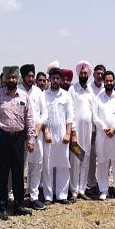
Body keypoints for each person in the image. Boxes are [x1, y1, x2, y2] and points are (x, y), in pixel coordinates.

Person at [0, 66, 36, 219]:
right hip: (3, 138)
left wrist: (31, 139)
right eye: (8, 77)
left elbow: (29, 119)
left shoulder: (24, 96)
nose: (11, 80)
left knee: (18, 172)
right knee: (2, 173)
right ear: (4, 79)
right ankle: (3, 205)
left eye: (14, 77)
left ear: (17, 79)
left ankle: (19, 204)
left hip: (19, 139)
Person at [93, 71, 115, 200]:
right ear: (104, 82)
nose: (109, 83)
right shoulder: (98, 98)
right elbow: (95, 117)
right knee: (102, 163)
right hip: (102, 136)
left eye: (111, 81)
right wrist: (104, 128)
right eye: (107, 81)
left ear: (114, 82)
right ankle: (104, 190)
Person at [43, 68, 74, 204]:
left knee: (63, 165)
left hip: (62, 136)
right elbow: (41, 116)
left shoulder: (66, 96)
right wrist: (45, 132)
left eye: (57, 78)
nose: (55, 81)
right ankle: (49, 196)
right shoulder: (44, 95)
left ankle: (62, 195)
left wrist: (68, 133)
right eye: (53, 78)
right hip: (48, 135)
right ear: (49, 79)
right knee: (48, 165)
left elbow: (70, 116)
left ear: (61, 80)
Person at [20, 64, 48, 210]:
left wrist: (37, 130)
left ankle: (34, 197)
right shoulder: (17, 91)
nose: (31, 78)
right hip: (21, 136)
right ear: (23, 77)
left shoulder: (38, 92)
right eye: (28, 76)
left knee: (36, 165)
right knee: (20, 166)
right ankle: (17, 197)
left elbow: (45, 114)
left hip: (37, 135)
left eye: (33, 76)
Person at [69, 61, 95, 201]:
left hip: (88, 131)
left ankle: (82, 189)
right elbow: (71, 111)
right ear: (78, 74)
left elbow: (93, 112)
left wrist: (94, 131)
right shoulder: (73, 89)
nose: (84, 75)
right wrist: (73, 131)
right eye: (82, 73)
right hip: (76, 131)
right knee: (76, 159)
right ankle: (73, 190)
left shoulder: (90, 91)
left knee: (86, 159)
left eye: (86, 73)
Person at [87, 64, 106, 192]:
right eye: (97, 73)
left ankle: (103, 183)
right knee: (91, 158)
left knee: (104, 158)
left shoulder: (108, 88)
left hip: (105, 130)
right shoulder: (88, 88)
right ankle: (91, 183)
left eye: (101, 74)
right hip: (91, 129)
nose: (99, 76)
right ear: (93, 75)